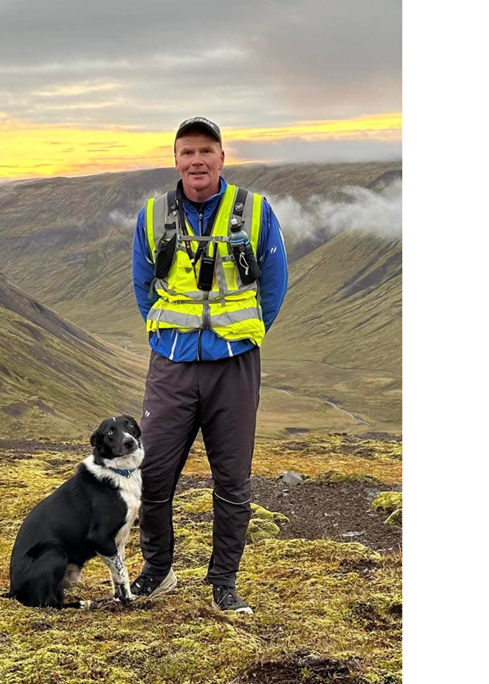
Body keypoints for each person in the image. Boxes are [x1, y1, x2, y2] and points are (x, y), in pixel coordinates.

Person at [130, 117, 289, 613]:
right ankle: (158, 572)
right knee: (153, 476)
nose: (196, 161)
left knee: (233, 482)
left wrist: (240, 337)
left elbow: (274, 285)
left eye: (205, 151)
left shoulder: (257, 211)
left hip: (234, 367)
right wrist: (169, 335)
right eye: (186, 152)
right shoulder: (153, 215)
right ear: (175, 160)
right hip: (171, 365)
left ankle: (223, 582)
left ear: (222, 157)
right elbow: (142, 287)